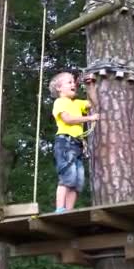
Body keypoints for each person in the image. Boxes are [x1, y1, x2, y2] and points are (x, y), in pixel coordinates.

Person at [49, 72, 99, 213]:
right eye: (69, 82)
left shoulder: (77, 103)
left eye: (73, 82)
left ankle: (68, 211)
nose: (73, 84)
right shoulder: (59, 102)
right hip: (65, 142)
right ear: (59, 88)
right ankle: (60, 208)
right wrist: (89, 119)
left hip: (77, 145)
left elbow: (94, 103)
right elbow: (68, 119)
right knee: (67, 176)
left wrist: (90, 86)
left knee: (77, 181)